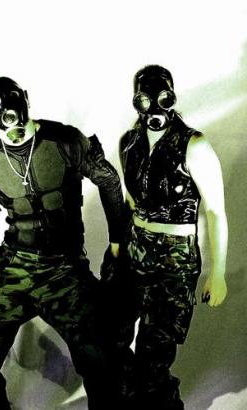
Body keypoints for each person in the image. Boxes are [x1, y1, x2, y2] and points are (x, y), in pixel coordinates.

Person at [0, 77, 130, 409]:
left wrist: (117, 241)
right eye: (0, 112)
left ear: (24, 99)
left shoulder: (64, 140)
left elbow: (108, 181)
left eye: (13, 105)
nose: (10, 119)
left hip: (63, 268)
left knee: (101, 359)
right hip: (14, 266)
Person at [117, 64, 228, 409]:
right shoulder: (129, 143)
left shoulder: (194, 145)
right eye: (145, 99)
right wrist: (118, 249)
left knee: (155, 354)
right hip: (135, 249)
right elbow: (131, 203)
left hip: (174, 260)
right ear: (136, 101)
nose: (154, 106)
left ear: (172, 96)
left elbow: (215, 211)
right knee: (111, 339)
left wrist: (217, 272)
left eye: (162, 97)